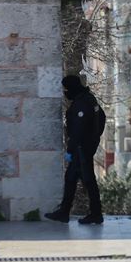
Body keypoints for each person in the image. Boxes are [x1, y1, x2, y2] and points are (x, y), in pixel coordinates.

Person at [45, 75, 107, 225]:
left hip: (81, 148)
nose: (65, 92)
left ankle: (94, 213)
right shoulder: (89, 99)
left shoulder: (81, 104)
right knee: (72, 179)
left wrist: (72, 149)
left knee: (88, 180)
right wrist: (94, 138)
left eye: (66, 89)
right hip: (86, 146)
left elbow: (78, 130)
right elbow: (102, 118)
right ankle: (65, 212)